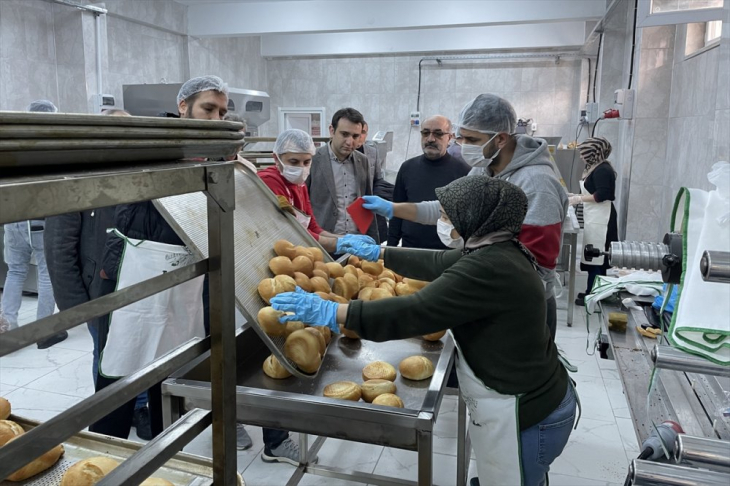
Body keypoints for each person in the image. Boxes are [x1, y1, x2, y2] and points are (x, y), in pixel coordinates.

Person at [272, 176, 577, 486]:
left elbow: (415, 311)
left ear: (473, 219)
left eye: (447, 216)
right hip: (525, 399)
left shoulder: (490, 267)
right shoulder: (495, 248)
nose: (441, 222)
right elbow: (439, 261)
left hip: (527, 413)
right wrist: (381, 253)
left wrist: (333, 312)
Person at [361, 94, 567, 340]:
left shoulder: (536, 184)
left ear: (500, 138)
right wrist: (394, 209)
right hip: (488, 295)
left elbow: (538, 271)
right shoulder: (485, 168)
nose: (463, 144)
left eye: (471, 139)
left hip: (523, 310)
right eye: (462, 136)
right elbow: (448, 209)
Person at [44, 108, 152, 439]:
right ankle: (110, 408)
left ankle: (141, 406)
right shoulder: (76, 178)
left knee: (142, 346)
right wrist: (77, 305)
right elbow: (59, 246)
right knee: (106, 353)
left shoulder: (140, 174)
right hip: (99, 291)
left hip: (141, 283)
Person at [0, 100, 67, 349]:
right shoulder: (51, 145)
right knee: (46, 273)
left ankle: (9, 330)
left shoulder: (11, 142)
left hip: (12, 219)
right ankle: (44, 331)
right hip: (39, 219)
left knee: (15, 272)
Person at [259, 129, 376, 256]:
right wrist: (338, 244)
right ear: (276, 158)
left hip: (298, 252)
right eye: (293, 162)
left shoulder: (300, 184)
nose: (301, 167)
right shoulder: (269, 181)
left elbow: (313, 228)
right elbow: (290, 232)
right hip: (276, 255)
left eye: (306, 162)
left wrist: (343, 239)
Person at [387, 115, 470, 249]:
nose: (430, 139)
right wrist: (391, 247)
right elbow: (396, 212)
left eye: (438, 134)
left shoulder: (463, 172)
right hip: (410, 250)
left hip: (447, 254)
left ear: (449, 138)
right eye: (425, 133)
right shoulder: (407, 168)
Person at [307, 108, 381, 243]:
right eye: (344, 134)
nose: (349, 141)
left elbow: (367, 204)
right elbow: (302, 206)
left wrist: (373, 240)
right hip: (323, 242)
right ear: (332, 130)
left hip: (356, 243)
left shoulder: (362, 161)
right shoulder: (312, 160)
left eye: (355, 136)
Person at [569, 137, 618, 306]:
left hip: (603, 219)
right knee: (594, 255)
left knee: (598, 256)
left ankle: (594, 293)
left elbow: (602, 195)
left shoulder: (603, 170)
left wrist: (578, 199)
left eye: (584, 153)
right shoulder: (594, 168)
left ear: (592, 153)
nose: (581, 157)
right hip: (595, 217)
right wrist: (573, 196)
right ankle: (595, 291)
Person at [355, 121, 392, 243]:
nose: (359, 136)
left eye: (363, 132)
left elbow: (377, 179)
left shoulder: (372, 152)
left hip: (368, 203)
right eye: (356, 133)